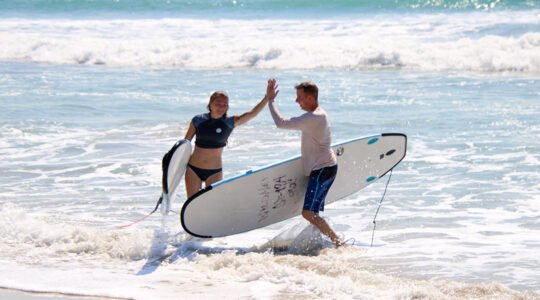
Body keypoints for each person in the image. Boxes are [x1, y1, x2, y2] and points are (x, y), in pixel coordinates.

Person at [266, 79, 343, 247]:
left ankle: (338, 242)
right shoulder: (318, 115)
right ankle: (319, 243)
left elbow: (281, 123)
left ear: (309, 98)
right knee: (312, 213)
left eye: (299, 97)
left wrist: (270, 101)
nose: (296, 101)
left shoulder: (315, 117)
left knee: (308, 213)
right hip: (324, 168)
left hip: (322, 170)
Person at [184, 89, 269, 198]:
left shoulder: (229, 122)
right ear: (210, 104)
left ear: (228, 107)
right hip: (193, 169)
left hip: (214, 171)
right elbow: (185, 144)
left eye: (224, 105)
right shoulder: (198, 120)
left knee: (212, 204)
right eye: (218, 104)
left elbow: (252, 114)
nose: (221, 107)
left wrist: (266, 98)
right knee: (191, 204)